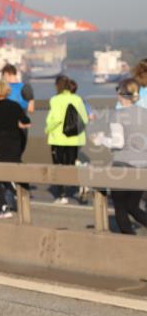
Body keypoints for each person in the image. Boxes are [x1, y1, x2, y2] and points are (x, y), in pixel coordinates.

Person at [92, 79, 147, 234]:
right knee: (133, 206)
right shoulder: (145, 113)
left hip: (123, 165)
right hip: (143, 166)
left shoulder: (118, 115)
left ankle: (128, 240)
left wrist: (101, 139)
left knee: (120, 206)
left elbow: (118, 143)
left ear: (121, 94)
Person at [0, 80, 31, 218]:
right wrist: (17, 125)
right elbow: (26, 122)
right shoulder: (15, 105)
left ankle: (4, 206)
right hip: (15, 143)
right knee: (10, 169)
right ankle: (15, 187)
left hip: (0, 144)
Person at [45, 75, 89, 204]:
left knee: (58, 167)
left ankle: (62, 195)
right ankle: (83, 180)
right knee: (71, 165)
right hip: (74, 139)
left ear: (57, 85)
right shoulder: (77, 99)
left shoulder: (55, 99)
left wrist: (47, 129)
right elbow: (85, 119)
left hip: (58, 139)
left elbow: (56, 118)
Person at [1, 64, 34, 154]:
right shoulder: (26, 87)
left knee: (6, 155)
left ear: (7, 74)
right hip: (22, 126)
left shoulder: (3, 89)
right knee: (17, 154)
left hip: (7, 128)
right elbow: (31, 109)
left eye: (3, 76)